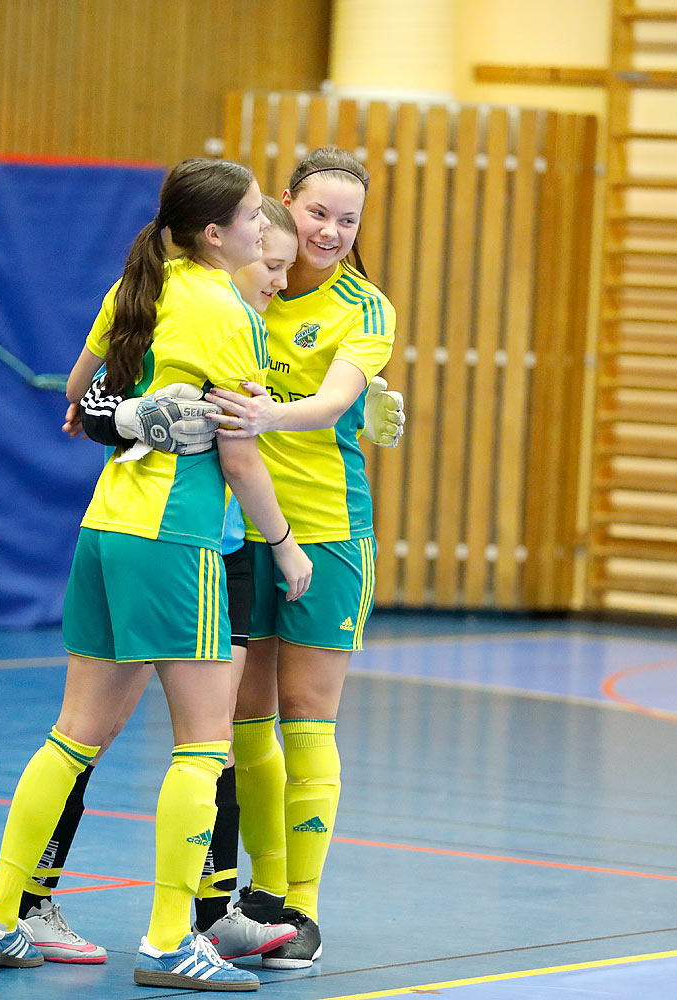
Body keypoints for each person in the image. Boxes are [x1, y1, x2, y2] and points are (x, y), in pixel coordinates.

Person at [0, 157, 311, 993]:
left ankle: (1, 916)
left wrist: (129, 411)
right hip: (176, 542)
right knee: (203, 746)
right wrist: (286, 544)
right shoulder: (228, 314)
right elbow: (241, 455)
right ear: (215, 233)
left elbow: (78, 394)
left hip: (105, 528)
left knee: (72, 735)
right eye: (256, 217)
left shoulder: (135, 286)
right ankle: (167, 942)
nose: (266, 229)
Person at [204, 147, 398, 970]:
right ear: (285, 204)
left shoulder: (366, 307)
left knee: (307, 714)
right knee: (244, 718)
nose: (330, 231)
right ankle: (262, 896)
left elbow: (330, 404)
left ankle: (305, 911)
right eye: (318, 212)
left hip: (326, 532)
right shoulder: (245, 280)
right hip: (241, 532)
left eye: (347, 220)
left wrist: (261, 417)